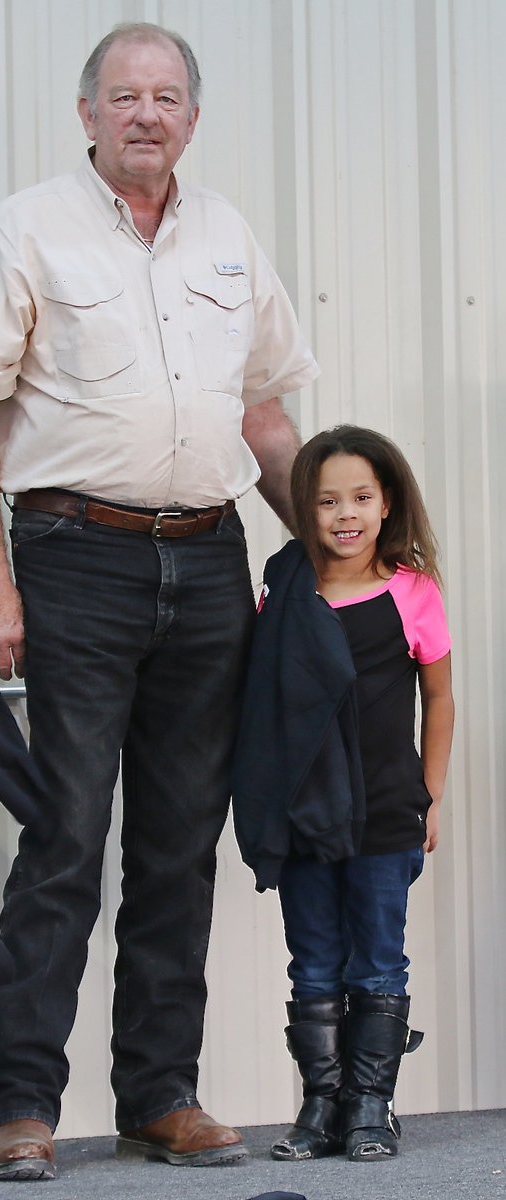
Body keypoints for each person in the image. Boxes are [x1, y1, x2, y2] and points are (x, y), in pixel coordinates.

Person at [0, 20, 319, 1180]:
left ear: (191, 119)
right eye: (123, 95)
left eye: (165, 96)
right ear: (87, 114)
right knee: (61, 837)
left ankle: (160, 1094)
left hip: (208, 565)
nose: (145, 112)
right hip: (73, 559)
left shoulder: (228, 238)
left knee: (176, 846)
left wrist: (340, 549)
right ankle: (20, 1109)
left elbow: (261, 417)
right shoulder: (24, 229)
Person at [232, 425, 454, 1163]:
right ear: (306, 508)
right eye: (327, 501)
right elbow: (262, 700)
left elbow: (440, 699)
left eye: (361, 497)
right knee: (314, 962)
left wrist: (431, 795)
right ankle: (321, 1105)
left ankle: (370, 1106)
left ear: (387, 502)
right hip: (303, 811)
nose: (345, 515)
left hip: (388, 810)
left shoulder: (413, 593)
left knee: (379, 961)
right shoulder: (284, 587)